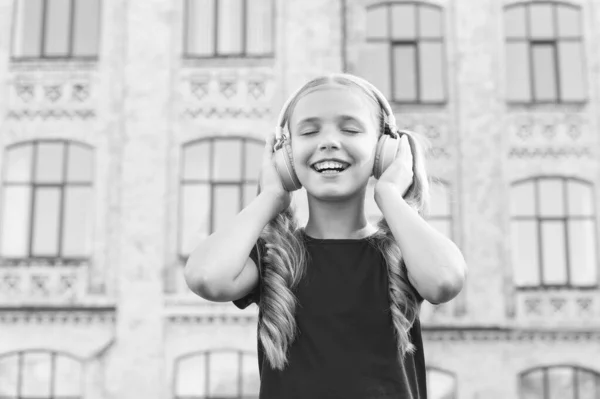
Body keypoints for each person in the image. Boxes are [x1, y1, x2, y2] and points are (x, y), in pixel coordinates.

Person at [184, 73, 467, 398]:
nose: (329, 141)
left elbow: (445, 280)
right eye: (309, 131)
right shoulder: (276, 256)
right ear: (285, 156)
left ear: (383, 151)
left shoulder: (403, 252)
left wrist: (389, 194)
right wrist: (269, 199)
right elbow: (206, 277)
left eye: (349, 129)